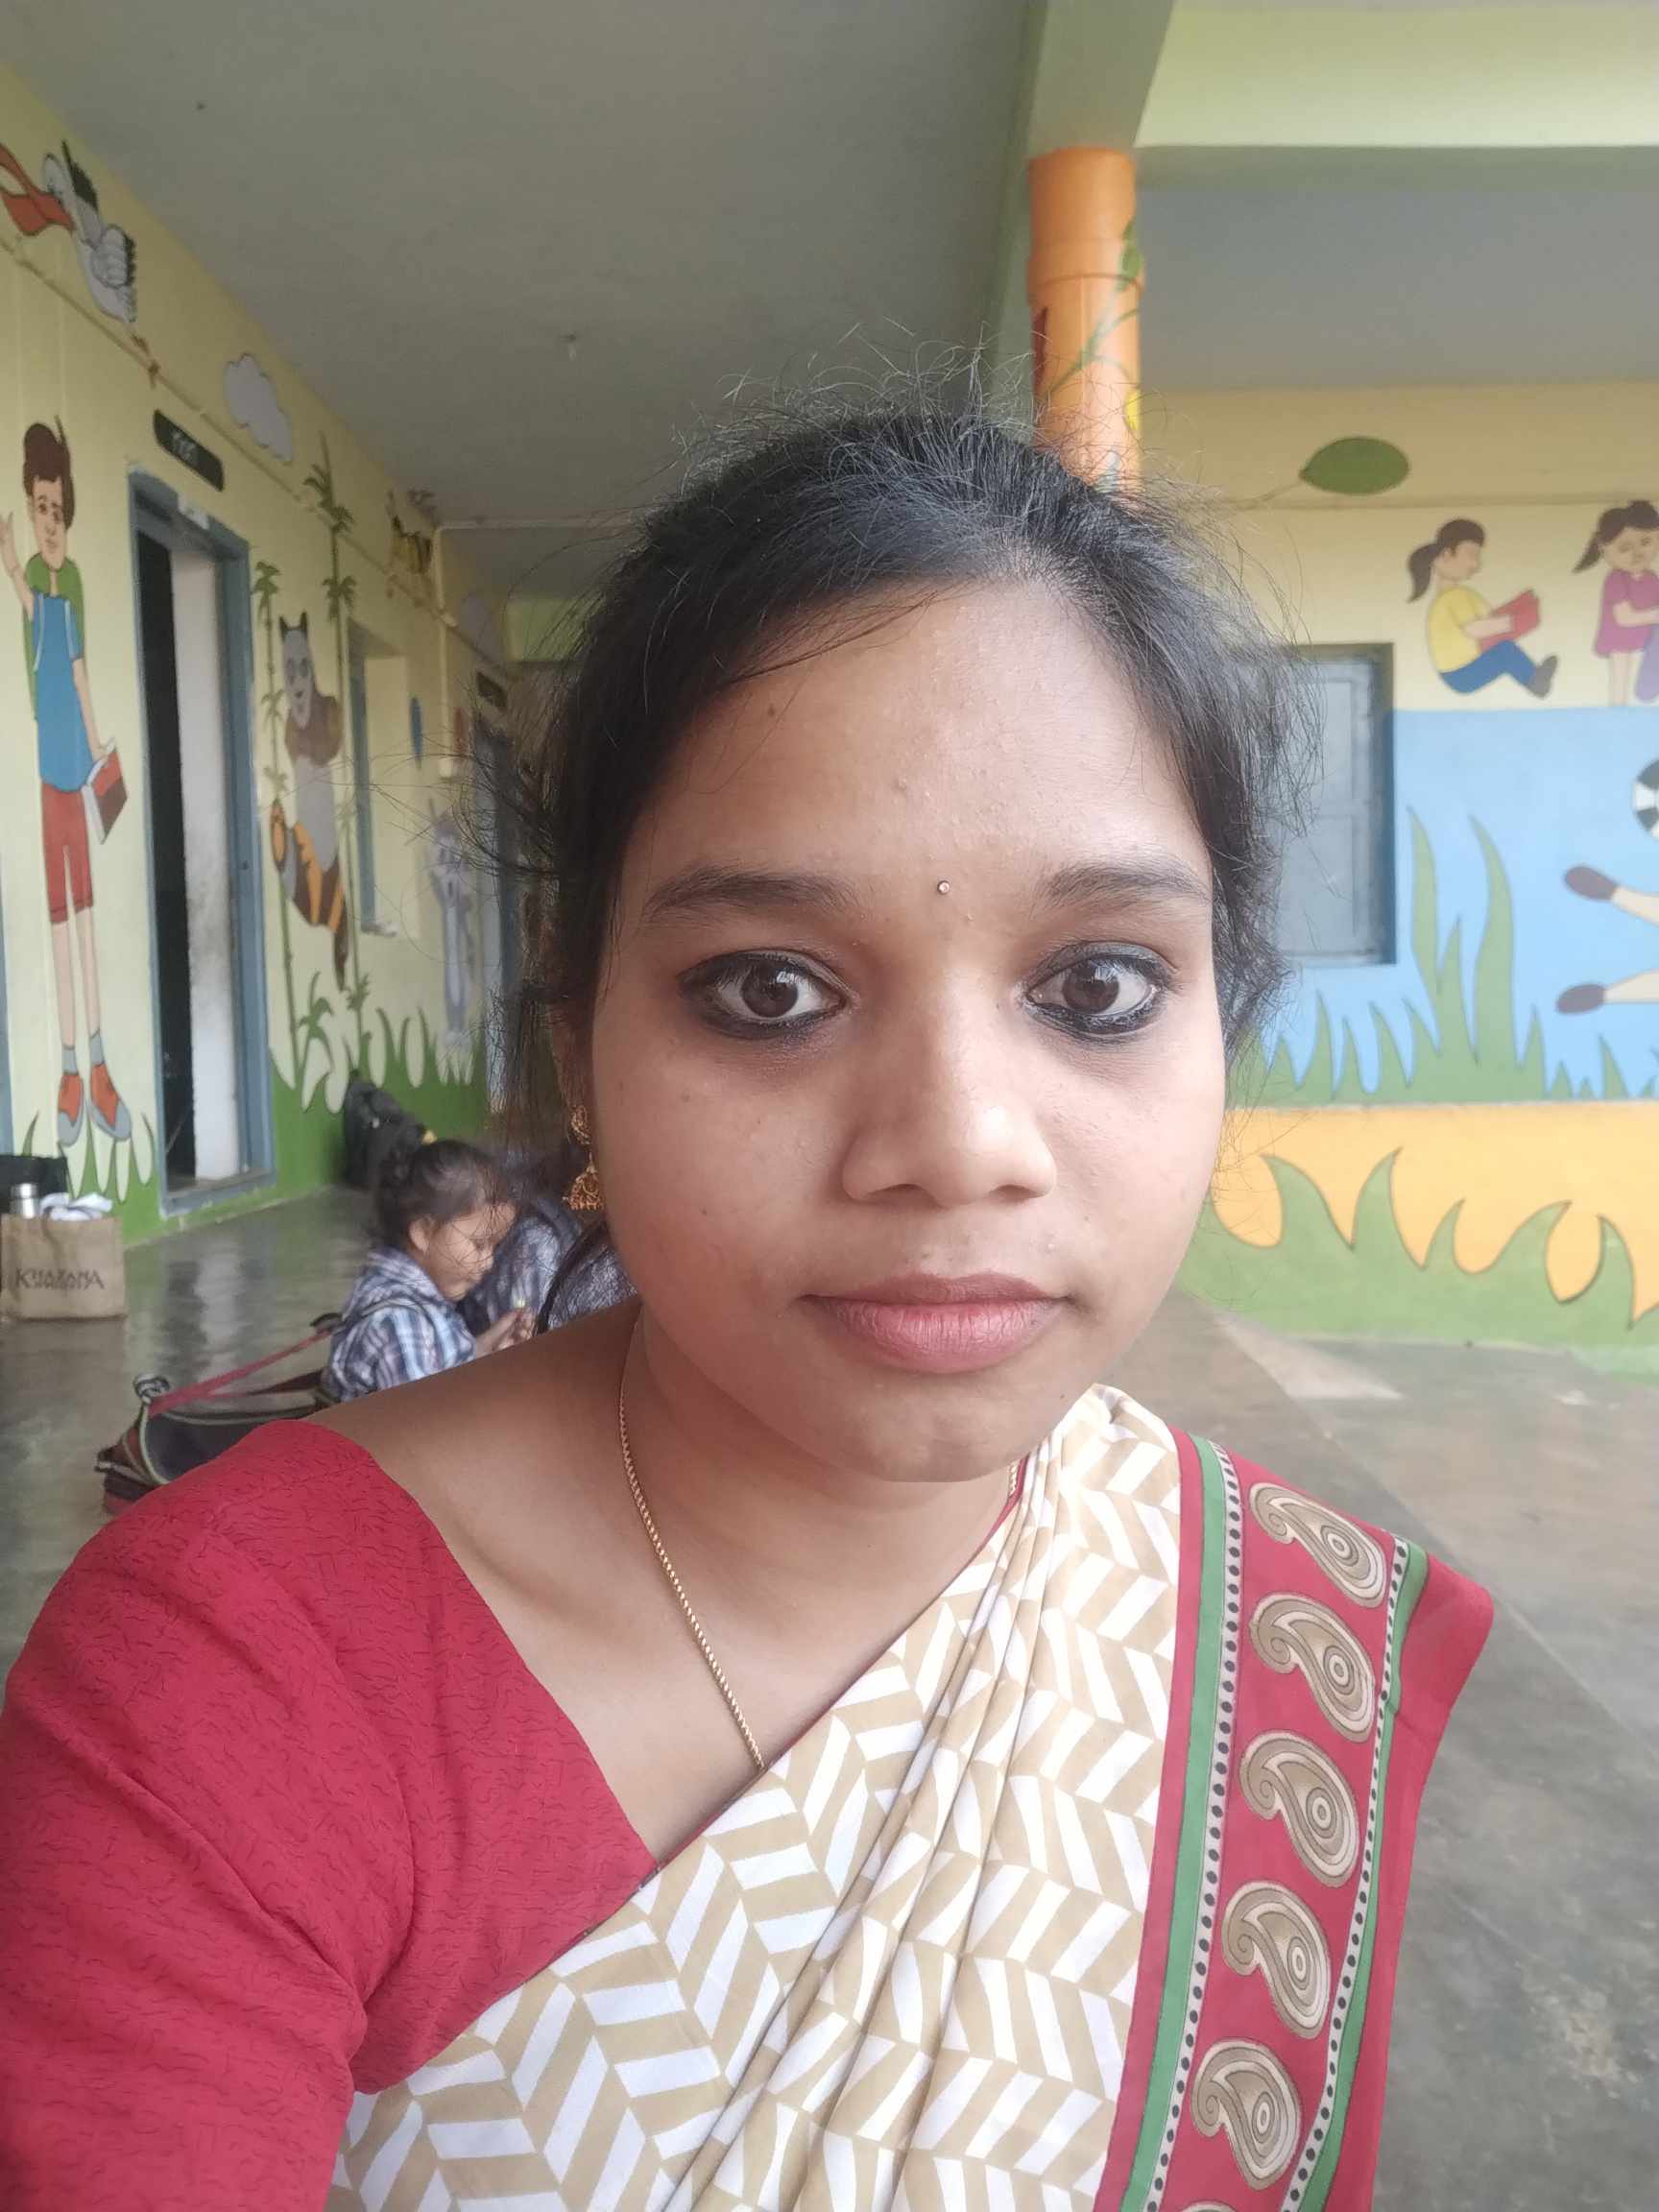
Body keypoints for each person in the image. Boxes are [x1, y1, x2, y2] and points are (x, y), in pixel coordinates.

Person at [0, 401, 1490, 2211]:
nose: (957, 1144)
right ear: (579, 1046)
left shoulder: (1264, 1633)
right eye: (770, 987)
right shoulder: (236, 1680)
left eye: (1096, 985)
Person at [0, 418, 131, 1146]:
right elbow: (31, 613)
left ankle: (101, 1065)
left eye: (56, 509)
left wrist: (97, 745)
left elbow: (77, 672)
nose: (48, 521)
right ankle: (71, 1069)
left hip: (75, 778)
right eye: (39, 507)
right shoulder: (37, 591)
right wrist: (10, 563)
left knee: (84, 920)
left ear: (69, 514)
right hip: (46, 782)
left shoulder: (71, 587)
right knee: (57, 922)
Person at [324, 1138, 529, 1400]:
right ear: (424, 1233)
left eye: (494, 1246)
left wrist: (489, 1349)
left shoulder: (410, 1296)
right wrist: (494, 1379)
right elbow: (426, 1418)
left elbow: (444, 1369)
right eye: (479, 1244)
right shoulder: (400, 1323)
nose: (488, 1262)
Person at [1407, 517, 1557, 698]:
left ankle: (1534, 678)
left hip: (1462, 669)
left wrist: (1518, 608)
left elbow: (1489, 617)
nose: (1477, 565)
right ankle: (1536, 683)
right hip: (1460, 673)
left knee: (1504, 649)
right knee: (1505, 650)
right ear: (1446, 555)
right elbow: (1474, 629)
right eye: (1472, 555)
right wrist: (1516, 621)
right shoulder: (1453, 597)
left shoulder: (1461, 594)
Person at [1572, 498, 1659, 706]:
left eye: (1645, 542)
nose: (1637, 553)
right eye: (1624, 548)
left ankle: (1648, 686)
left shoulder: (1652, 578)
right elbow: (1624, 618)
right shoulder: (1615, 580)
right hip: (1620, 636)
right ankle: (1618, 709)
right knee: (1620, 673)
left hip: (1647, 635)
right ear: (1604, 550)